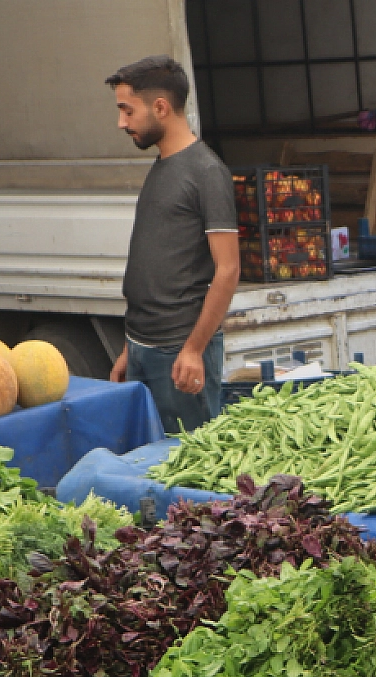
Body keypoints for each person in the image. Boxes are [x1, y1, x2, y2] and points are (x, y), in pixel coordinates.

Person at [105, 56, 239, 434]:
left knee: (190, 471)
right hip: (143, 348)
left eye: (127, 111)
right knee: (149, 462)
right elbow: (158, 263)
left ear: (161, 107)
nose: (122, 123)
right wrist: (132, 348)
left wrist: (194, 349)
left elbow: (228, 271)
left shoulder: (208, 173)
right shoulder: (162, 166)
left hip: (179, 355)